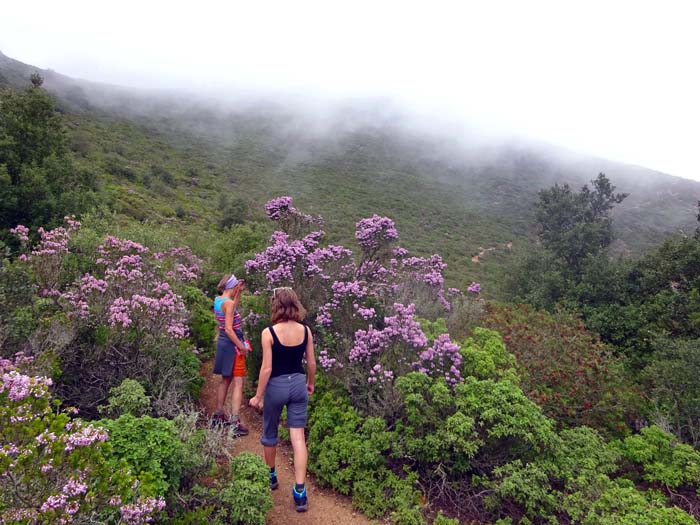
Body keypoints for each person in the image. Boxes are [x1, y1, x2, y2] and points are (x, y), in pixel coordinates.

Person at [249, 287, 316, 513]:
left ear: (276, 305)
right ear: (295, 304)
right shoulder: (306, 331)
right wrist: (311, 383)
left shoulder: (268, 333)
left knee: (270, 433)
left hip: (276, 386)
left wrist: (258, 396)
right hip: (298, 384)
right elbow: (312, 363)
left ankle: (271, 476)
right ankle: (300, 492)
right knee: (298, 438)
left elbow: (266, 368)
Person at [212, 273, 250, 436]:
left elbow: (231, 308)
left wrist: (239, 293)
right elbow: (229, 328)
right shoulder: (227, 303)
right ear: (232, 287)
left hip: (223, 342)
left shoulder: (218, 300)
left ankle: (218, 415)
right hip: (232, 344)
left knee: (225, 380)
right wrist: (241, 346)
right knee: (238, 381)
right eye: (237, 288)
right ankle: (235, 422)